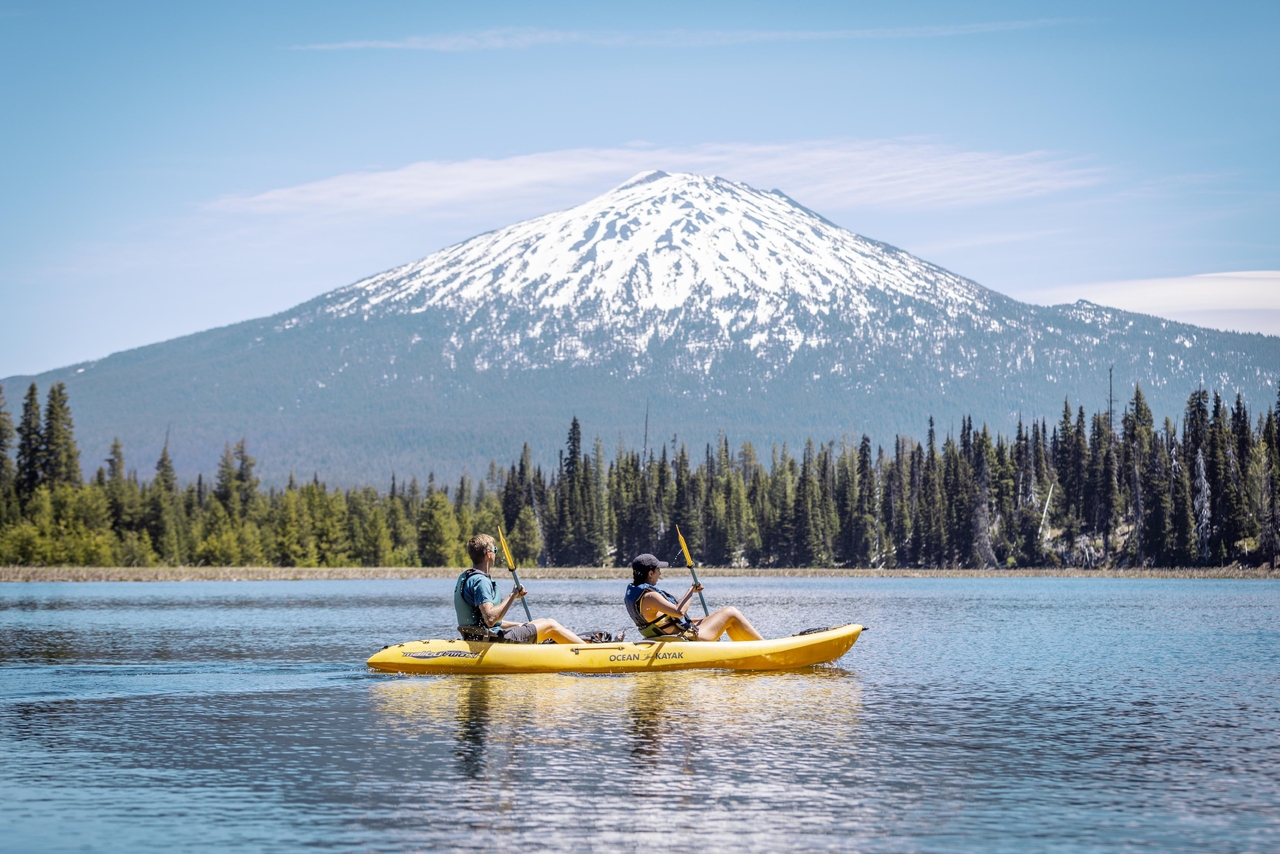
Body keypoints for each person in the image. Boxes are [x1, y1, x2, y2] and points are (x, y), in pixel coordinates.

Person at [455, 534, 581, 644]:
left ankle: (576, 644)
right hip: (491, 641)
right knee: (551, 625)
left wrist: (518, 625)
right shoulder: (481, 581)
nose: (496, 554)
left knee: (542, 621)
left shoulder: (468, 577)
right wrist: (512, 595)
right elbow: (490, 619)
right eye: (495, 550)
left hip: (478, 637)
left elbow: (484, 621)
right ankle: (588, 651)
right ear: (488, 554)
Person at [624, 553, 764, 641]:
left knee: (716, 618)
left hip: (666, 636)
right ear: (650, 573)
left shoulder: (634, 594)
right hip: (688, 638)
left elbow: (668, 620)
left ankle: (745, 650)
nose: (659, 573)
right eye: (658, 570)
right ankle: (763, 648)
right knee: (731, 612)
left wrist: (705, 620)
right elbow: (679, 612)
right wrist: (692, 589)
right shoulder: (650, 596)